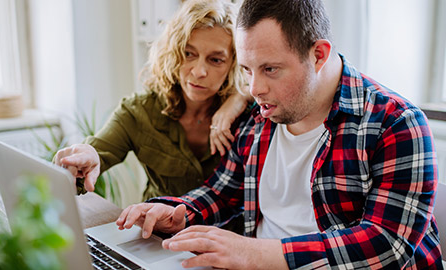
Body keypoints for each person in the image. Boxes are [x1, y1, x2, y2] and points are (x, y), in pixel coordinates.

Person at [115, 0, 443, 269]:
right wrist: (177, 213)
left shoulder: (396, 122)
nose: (254, 89)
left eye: (270, 69)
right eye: (246, 69)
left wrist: (255, 253)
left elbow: (387, 245)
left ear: (318, 55)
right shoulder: (261, 116)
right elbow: (222, 192)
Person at [54, 0, 249, 200]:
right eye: (188, 53)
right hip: (156, 229)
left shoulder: (248, 114)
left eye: (215, 60)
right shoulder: (139, 112)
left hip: (226, 230)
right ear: (173, 52)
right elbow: (98, 150)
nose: (199, 71)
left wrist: (240, 98)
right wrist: (85, 158)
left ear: (234, 63)